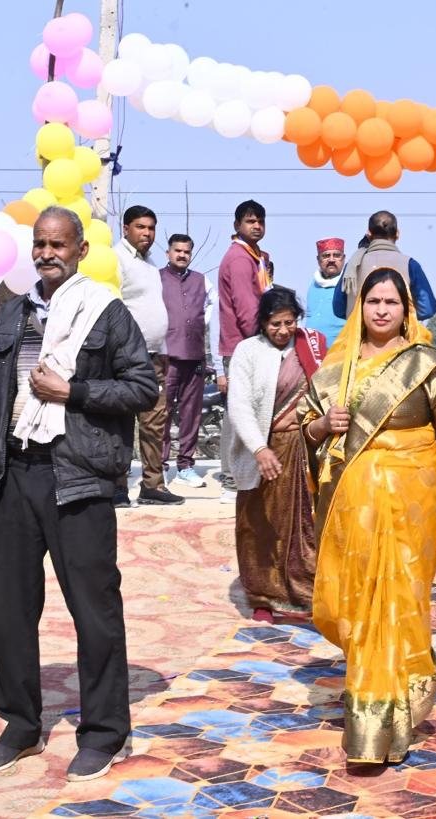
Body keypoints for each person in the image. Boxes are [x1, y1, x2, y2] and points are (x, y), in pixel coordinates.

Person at [0, 206, 157, 781]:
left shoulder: (106, 311)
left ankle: (103, 733)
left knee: (94, 609)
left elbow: (143, 387)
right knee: (11, 611)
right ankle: (20, 726)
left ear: (80, 250)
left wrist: (72, 391)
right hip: (17, 476)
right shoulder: (12, 314)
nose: (47, 253)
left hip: (79, 478)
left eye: (58, 244)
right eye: (40, 244)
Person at [300, 268, 436, 765]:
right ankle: (383, 698)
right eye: (373, 301)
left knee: (396, 601)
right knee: (350, 603)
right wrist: (323, 425)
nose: (382, 310)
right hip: (351, 507)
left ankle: (377, 722)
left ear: (406, 310)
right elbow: (304, 436)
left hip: (410, 504)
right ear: (360, 307)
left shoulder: (426, 366)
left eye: (391, 302)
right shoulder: (335, 371)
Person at [227, 288, 327, 624]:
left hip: (303, 447)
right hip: (262, 451)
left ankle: (305, 596)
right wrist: (259, 448)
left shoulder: (310, 347)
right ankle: (263, 598)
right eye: (275, 324)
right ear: (263, 323)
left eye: (289, 322)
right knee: (259, 525)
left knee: (305, 526)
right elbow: (239, 405)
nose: (283, 330)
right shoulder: (248, 351)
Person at [113, 205, 182, 506]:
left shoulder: (151, 264)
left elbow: (154, 308)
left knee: (155, 422)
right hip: (125, 356)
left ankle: (153, 485)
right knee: (121, 422)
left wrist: (163, 350)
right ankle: (117, 486)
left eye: (151, 228)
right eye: (140, 227)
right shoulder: (116, 259)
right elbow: (113, 307)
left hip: (154, 356)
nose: (147, 233)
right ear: (125, 228)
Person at [216, 200, 273, 503]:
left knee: (243, 408)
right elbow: (246, 309)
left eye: (260, 221)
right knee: (237, 410)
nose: (257, 226)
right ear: (237, 225)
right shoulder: (239, 259)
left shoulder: (255, 257)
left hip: (247, 342)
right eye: (250, 221)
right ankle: (230, 478)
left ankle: (238, 472)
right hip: (243, 344)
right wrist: (265, 341)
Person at [159, 233, 212, 488]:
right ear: (168, 253)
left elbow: (211, 311)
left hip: (195, 356)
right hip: (166, 356)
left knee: (191, 412)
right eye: (177, 250)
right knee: (162, 412)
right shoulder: (156, 279)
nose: (182, 255)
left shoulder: (202, 281)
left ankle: (186, 466)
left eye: (186, 251)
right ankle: (158, 466)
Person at [333, 210, 436, 321]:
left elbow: (338, 309)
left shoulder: (353, 266)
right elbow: (427, 309)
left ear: (369, 234)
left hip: (358, 331)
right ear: (397, 233)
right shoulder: (409, 265)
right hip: (398, 331)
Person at [305, 237, 346, 344]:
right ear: (318, 259)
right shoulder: (313, 284)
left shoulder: (349, 283)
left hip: (341, 349)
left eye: (336, 255)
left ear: (343, 258)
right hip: (313, 348)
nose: (331, 260)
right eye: (326, 256)